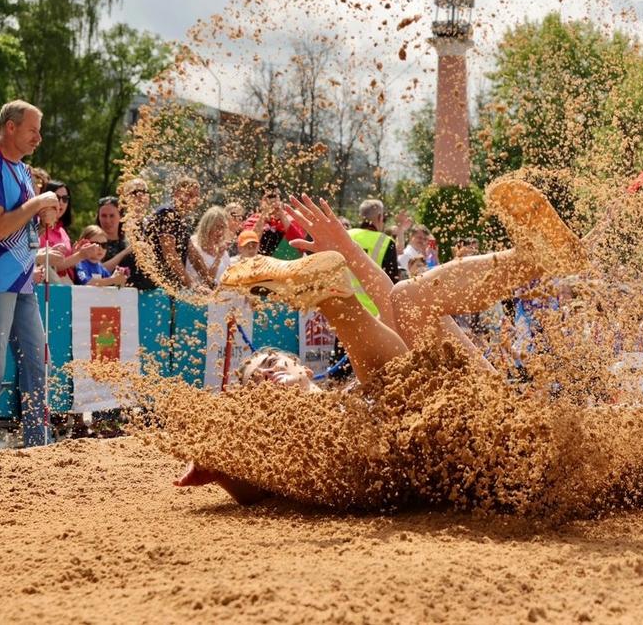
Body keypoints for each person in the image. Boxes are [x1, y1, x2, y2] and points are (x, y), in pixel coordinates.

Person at [184, 178, 588, 502]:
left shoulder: (353, 391)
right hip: (472, 457)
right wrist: (216, 464)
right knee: (387, 377)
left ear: (304, 368)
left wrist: (346, 247)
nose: (267, 374)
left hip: (493, 421)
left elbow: (388, 299)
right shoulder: (285, 444)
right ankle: (331, 299)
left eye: (272, 363)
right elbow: (251, 491)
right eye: (256, 380)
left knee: (405, 299)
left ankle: (533, 259)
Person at [0, 100, 62, 449]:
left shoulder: (21, 169)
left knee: (37, 362)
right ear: (10, 127)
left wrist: (43, 215)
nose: (39, 137)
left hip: (22, 280)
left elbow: (23, 222)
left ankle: (38, 442)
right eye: (33, 130)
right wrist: (38, 203)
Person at [142, 176, 200, 289]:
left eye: (195, 197)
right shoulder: (167, 213)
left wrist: (210, 281)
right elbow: (170, 254)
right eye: (188, 195)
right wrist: (192, 284)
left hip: (168, 287)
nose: (192, 200)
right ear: (176, 193)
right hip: (155, 287)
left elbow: (193, 255)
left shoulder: (182, 221)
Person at [186, 205, 231, 291]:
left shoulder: (223, 252)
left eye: (222, 227)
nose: (220, 231)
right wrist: (218, 258)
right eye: (217, 227)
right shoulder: (194, 246)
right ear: (207, 227)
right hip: (197, 295)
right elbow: (208, 281)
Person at [94, 196, 133, 283]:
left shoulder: (128, 241)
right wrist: (124, 253)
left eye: (112, 216)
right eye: (103, 216)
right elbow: (95, 270)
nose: (107, 221)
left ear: (121, 217)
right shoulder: (93, 242)